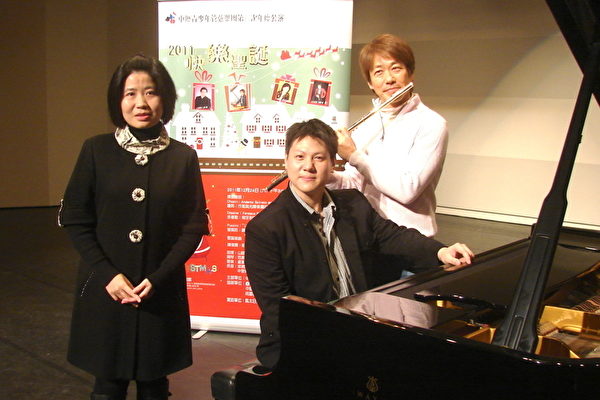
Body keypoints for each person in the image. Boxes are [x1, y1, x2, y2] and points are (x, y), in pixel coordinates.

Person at [244, 119, 473, 369]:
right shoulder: (265, 228)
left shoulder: (353, 203)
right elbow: (278, 305)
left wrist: (441, 251)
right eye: (299, 157)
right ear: (286, 161)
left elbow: (393, 236)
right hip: (304, 342)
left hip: (360, 329)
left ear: (333, 164)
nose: (308, 166)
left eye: (319, 158)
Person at [59, 54, 209, 400]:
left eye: (151, 92)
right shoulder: (95, 150)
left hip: (161, 291)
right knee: (107, 384)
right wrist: (108, 275)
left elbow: (192, 227)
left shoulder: (183, 157)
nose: (141, 102)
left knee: (155, 385)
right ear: (118, 100)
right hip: (105, 287)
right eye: (130, 93)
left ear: (165, 99)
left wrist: (158, 278)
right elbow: (76, 219)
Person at [329, 34, 447, 239]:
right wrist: (322, 172)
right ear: (370, 83)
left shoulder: (432, 124)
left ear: (410, 74)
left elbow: (408, 190)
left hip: (411, 241)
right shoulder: (366, 125)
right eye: (379, 72)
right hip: (370, 236)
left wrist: (354, 156)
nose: (389, 79)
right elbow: (353, 185)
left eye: (396, 68)